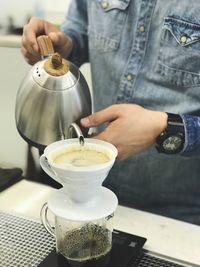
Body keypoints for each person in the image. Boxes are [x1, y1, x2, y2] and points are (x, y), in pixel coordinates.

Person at [21, 1, 200, 225]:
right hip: (93, 196)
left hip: (177, 216)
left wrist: (165, 129)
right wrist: (68, 43)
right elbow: (80, 25)